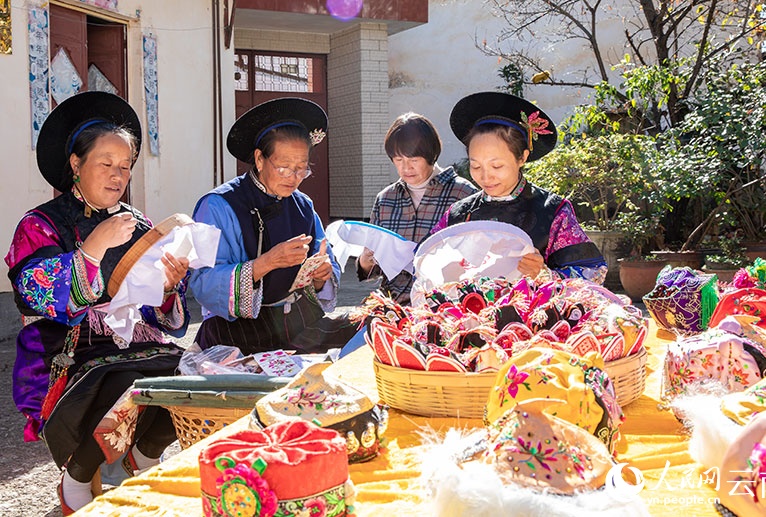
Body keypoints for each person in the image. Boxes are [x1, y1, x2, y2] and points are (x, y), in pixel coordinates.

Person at [4, 92, 190, 514]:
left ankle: (143, 456)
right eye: (105, 163)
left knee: (184, 373)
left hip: (133, 343)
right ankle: (76, 477)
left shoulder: (137, 223)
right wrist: (89, 250)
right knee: (123, 383)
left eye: (125, 166)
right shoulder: (41, 223)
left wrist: (166, 287)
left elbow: (160, 311)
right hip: (67, 346)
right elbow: (32, 289)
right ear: (76, 164)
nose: (117, 175)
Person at [190, 97, 357, 354]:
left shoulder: (304, 205)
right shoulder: (218, 206)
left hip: (298, 324)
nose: (294, 178)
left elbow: (325, 259)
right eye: (284, 168)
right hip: (238, 330)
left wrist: (321, 276)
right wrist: (266, 263)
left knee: (368, 327)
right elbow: (203, 283)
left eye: (302, 169)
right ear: (259, 159)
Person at [433, 91, 607, 282]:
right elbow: (427, 260)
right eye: (475, 166)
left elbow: (594, 273)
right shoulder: (458, 214)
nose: (485, 176)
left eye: (497, 166)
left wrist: (544, 275)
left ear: (522, 158)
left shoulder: (551, 211)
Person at [356, 113, 477, 304]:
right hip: (392, 307)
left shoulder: (463, 194)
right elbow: (374, 271)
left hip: (445, 307)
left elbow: (479, 260)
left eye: (413, 160)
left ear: (430, 154)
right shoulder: (386, 199)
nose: (406, 168)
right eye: (398, 160)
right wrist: (365, 262)